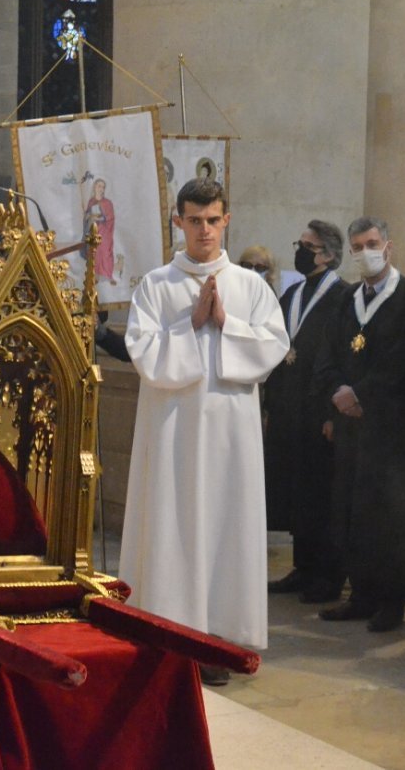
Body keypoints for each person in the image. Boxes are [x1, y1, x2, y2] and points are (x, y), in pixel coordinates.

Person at [119, 178, 289, 685]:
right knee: (172, 520)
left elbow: (273, 347)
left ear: (227, 220)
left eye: (213, 220)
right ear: (179, 222)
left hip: (230, 435)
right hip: (173, 430)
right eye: (194, 220)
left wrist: (228, 324)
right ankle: (170, 637)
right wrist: (190, 324)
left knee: (224, 525)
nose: (205, 230)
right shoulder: (155, 284)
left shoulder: (251, 286)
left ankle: (215, 639)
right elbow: (145, 355)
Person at [314, 217, 405, 632]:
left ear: (388, 246)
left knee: (389, 516)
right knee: (352, 512)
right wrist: (337, 392)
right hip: (350, 429)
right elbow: (326, 355)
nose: (366, 251)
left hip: (392, 429)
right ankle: (360, 594)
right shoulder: (347, 300)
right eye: (358, 246)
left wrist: (360, 394)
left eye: (372, 243)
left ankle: (390, 601)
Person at [265, 220, 347, 604]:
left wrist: (333, 413)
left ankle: (328, 573)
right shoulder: (292, 293)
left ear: (328, 254)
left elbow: (343, 358)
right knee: (296, 489)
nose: (300, 250)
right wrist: (269, 406)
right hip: (288, 406)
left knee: (321, 492)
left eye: (307, 246)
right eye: (299, 243)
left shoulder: (343, 297)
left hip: (320, 410)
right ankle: (303, 566)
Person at [83, 178, 116, 284]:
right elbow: (87, 217)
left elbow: (110, 217)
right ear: (94, 187)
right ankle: (95, 276)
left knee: (106, 252)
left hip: (105, 231)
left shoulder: (107, 203)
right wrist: (88, 216)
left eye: (103, 187)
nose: (101, 189)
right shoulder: (91, 201)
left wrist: (98, 218)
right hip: (94, 231)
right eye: (99, 186)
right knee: (95, 253)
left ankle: (108, 276)